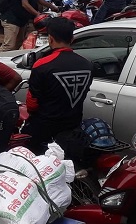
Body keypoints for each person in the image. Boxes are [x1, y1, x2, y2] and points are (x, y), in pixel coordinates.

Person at [24, 17, 93, 154]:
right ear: (72, 39)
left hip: (43, 132)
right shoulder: (87, 65)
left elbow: (32, 104)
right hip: (73, 129)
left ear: (50, 38)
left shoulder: (42, 65)